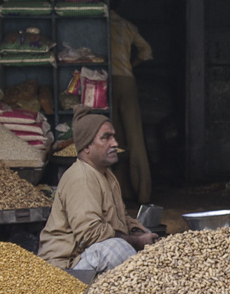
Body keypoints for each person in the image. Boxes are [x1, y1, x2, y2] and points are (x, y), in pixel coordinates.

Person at [38, 106, 157, 272]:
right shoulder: (81, 177)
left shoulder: (106, 174)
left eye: (113, 137)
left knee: (153, 246)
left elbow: (121, 219)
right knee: (117, 250)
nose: (115, 143)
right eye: (106, 138)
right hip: (66, 265)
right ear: (87, 146)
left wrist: (139, 233)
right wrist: (135, 242)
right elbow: (90, 235)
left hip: (85, 255)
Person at [108, 11, 154, 204]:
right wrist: (129, 65)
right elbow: (147, 52)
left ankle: (120, 193)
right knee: (135, 138)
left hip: (106, 83)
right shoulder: (127, 26)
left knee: (114, 138)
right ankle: (143, 194)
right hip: (127, 80)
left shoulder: (100, 23)